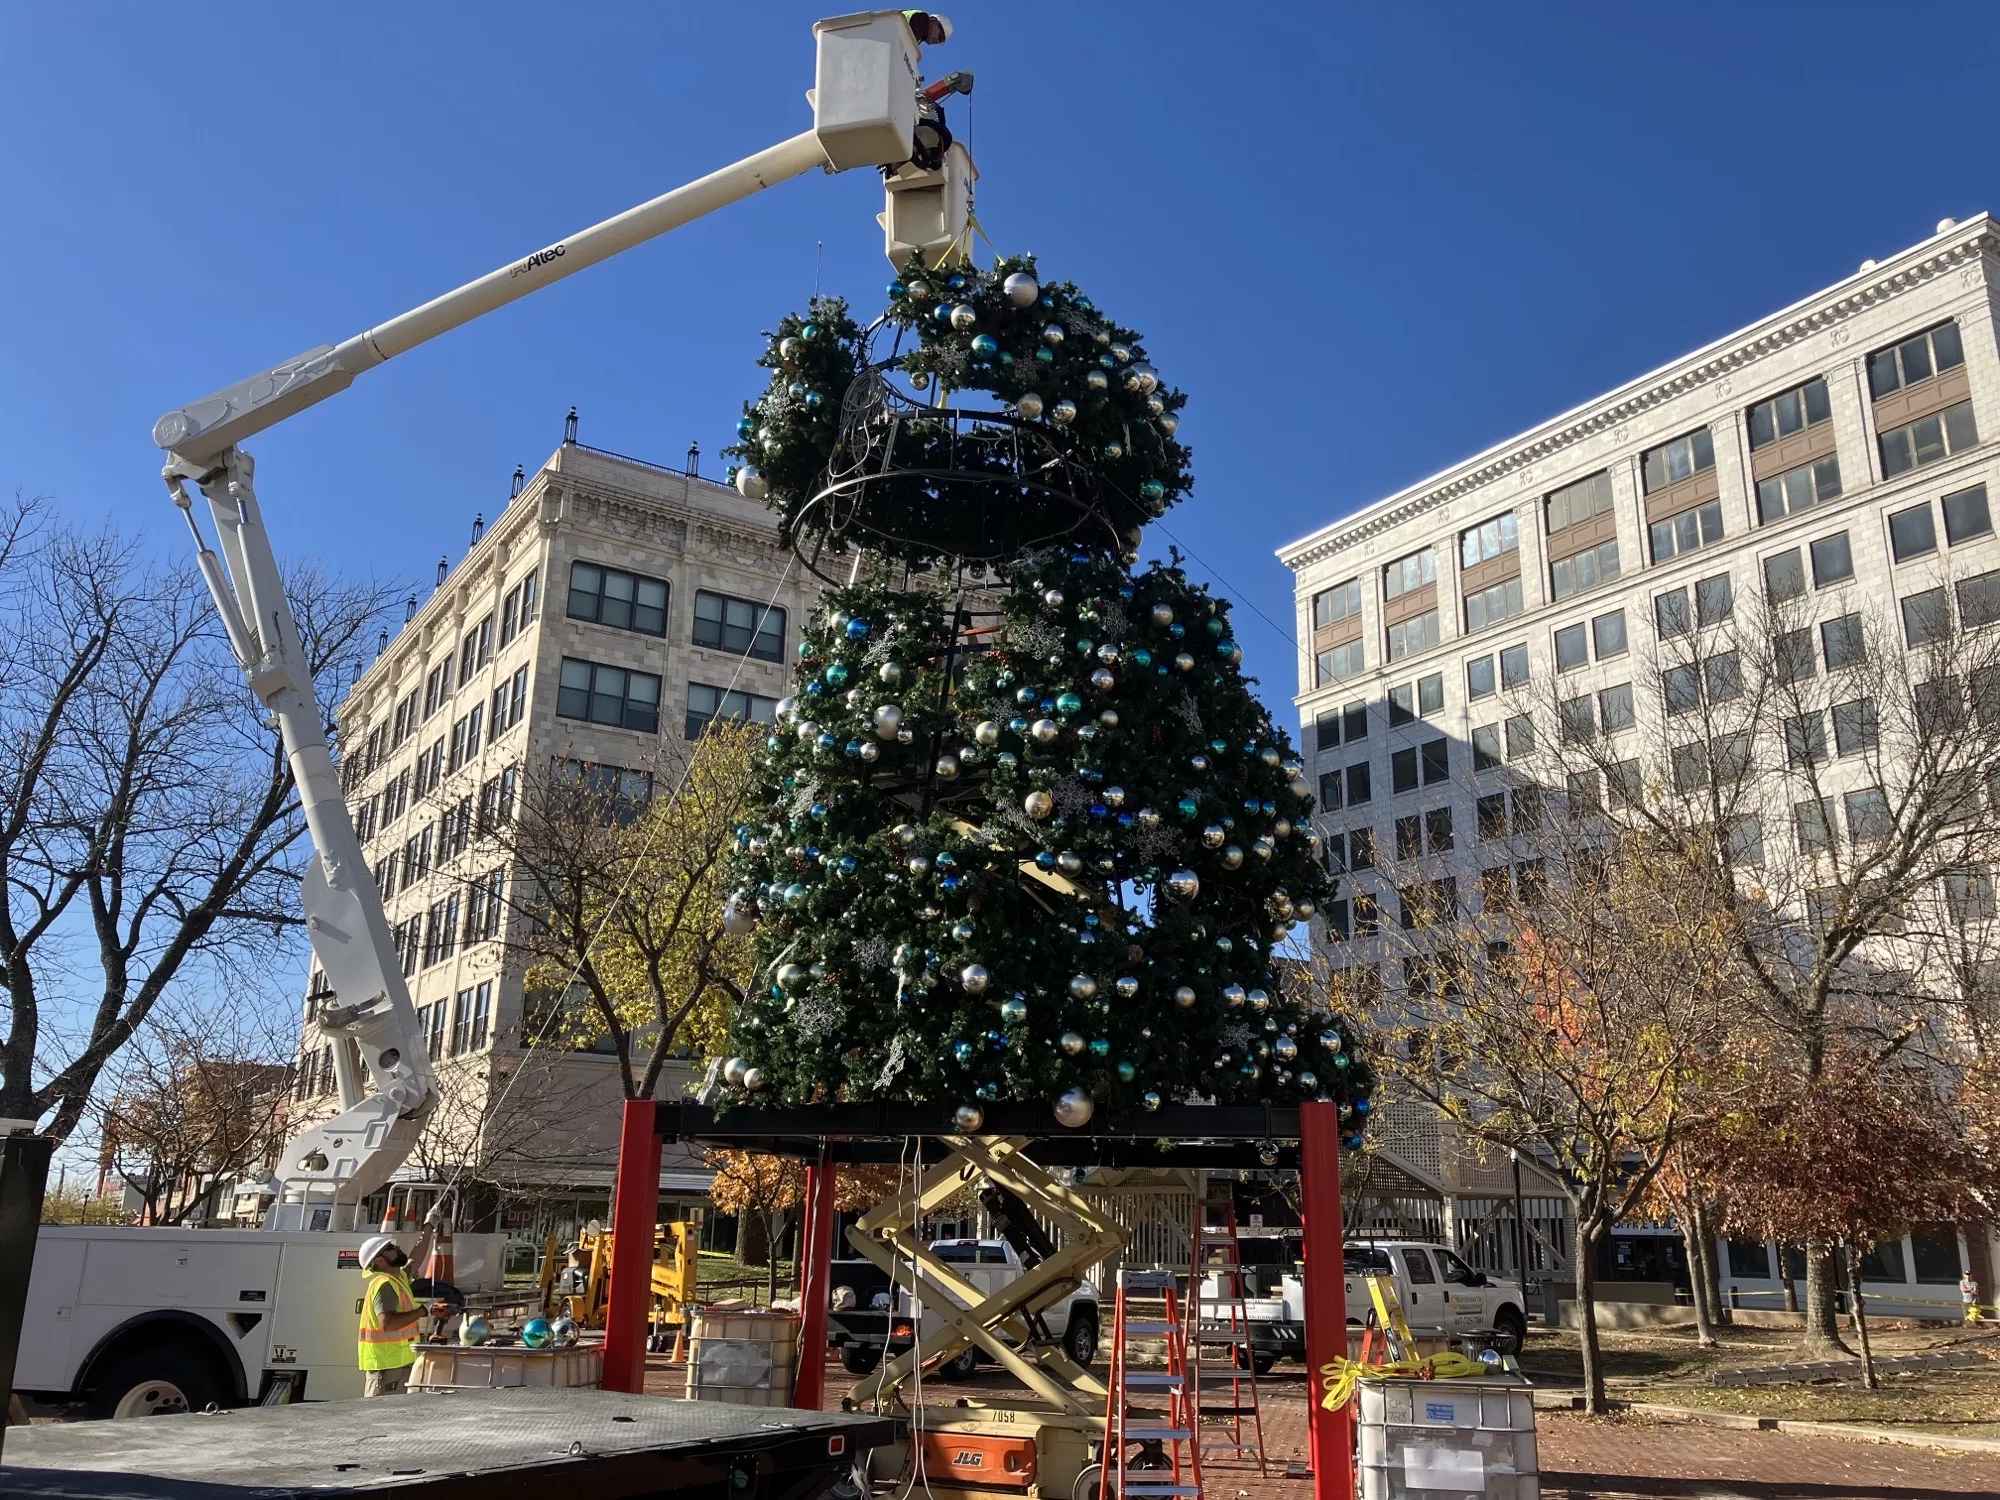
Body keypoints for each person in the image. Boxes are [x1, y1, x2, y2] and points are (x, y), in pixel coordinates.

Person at [356, 1212, 443, 1397]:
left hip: (396, 1366)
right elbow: (387, 1324)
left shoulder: (398, 1278)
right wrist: (422, 1311)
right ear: (380, 1261)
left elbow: (415, 1259)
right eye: (390, 1248)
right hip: (387, 1369)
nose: (396, 1248)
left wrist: (428, 1227)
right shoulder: (384, 1284)